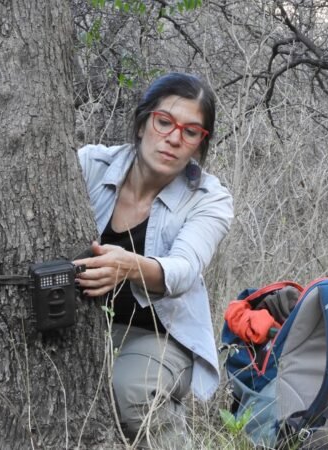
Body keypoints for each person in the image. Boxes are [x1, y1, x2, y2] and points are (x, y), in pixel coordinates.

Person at [73, 72, 233, 447]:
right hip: (82, 324)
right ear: (144, 121)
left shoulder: (210, 198)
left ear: (199, 144)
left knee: (133, 389)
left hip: (160, 334)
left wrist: (128, 266)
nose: (175, 138)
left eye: (191, 132)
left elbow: (184, 270)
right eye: (165, 122)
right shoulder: (90, 165)